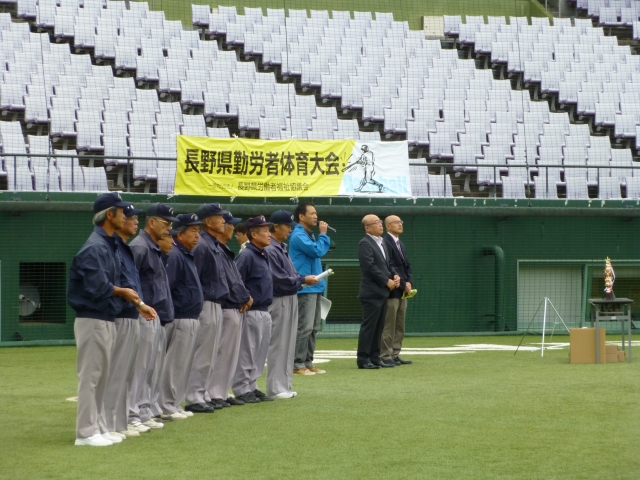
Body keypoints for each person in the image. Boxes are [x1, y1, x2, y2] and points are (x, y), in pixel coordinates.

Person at [68, 193, 156, 447]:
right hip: (92, 317)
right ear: (110, 214)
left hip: (105, 317)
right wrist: (124, 293)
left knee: (103, 376)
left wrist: (136, 302)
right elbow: (98, 288)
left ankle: (99, 427)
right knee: (92, 377)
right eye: (122, 211)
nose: (127, 216)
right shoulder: (95, 246)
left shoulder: (108, 244)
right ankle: (85, 432)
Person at [128, 203, 178, 432]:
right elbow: (130, 280)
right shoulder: (139, 247)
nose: (169, 228)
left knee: (151, 368)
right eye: (165, 223)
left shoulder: (153, 247)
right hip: (143, 315)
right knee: (140, 367)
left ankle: (144, 410)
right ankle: (131, 414)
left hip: (155, 315)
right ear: (152, 222)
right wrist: (139, 306)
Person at [264, 210, 319, 399]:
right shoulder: (271, 248)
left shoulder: (280, 246)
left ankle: (283, 386)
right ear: (276, 227)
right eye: (287, 226)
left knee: (287, 343)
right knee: (278, 344)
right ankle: (275, 388)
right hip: (278, 299)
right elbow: (279, 279)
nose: (289, 229)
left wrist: (300, 279)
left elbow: (291, 275)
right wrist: (303, 279)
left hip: (290, 296)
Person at [103, 204, 146, 441]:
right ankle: (107, 423)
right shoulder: (112, 247)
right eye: (130, 217)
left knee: (126, 372)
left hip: (131, 313)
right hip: (119, 315)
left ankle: (118, 422)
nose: (134, 221)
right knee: (116, 373)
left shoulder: (125, 247)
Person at [158, 214, 204, 419]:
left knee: (183, 364)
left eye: (198, 231)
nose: (197, 235)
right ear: (180, 233)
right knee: (174, 364)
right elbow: (167, 287)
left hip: (191, 316)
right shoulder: (176, 255)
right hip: (179, 317)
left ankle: (175, 404)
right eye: (193, 231)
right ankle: (166, 406)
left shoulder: (185, 253)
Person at [207, 210, 253, 407]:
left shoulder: (223, 249)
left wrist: (244, 296)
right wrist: (242, 296)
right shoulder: (211, 248)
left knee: (229, 354)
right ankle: (213, 393)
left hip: (233, 307)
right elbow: (223, 281)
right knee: (219, 353)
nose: (233, 228)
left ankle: (222, 392)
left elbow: (235, 280)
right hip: (223, 306)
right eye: (230, 224)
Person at [186, 203, 228, 413]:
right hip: (205, 303)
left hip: (216, 303)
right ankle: (193, 396)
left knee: (210, 354)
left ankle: (201, 393)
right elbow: (196, 279)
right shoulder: (201, 244)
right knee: (202, 353)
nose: (223, 221)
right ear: (208, 222)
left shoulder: (211, 243)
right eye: (219, 217)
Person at [232, 216, 275, 404]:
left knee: (259, 352)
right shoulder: (246, 255)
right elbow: (236, 280)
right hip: (251, 311)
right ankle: (242, 388)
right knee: (247, 351)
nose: (269, 234)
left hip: (264, 309)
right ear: (254, 234)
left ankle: (252, 385)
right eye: (265, 231)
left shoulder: (261, 254)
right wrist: (243, 299)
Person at [289, 203, 330, 376]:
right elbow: (316, 251)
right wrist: (323, 235)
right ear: (301, 216)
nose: (316, 216)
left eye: (316, 213)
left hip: (314, 287)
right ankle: (297, 364)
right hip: (305, 287)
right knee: (304, 327)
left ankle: (307, 361)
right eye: (312, 213)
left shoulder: (308, 234)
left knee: (313, 327)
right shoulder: (298, 234)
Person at [356, 214, 400, 370]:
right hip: (371, 292)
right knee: (369, 327)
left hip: (382, 293)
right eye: (376, 223)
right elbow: (370, 267)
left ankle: (375, 357)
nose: (380, 224)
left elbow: (388, 264)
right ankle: (363, 358)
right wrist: (386, 281)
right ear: (367, 228)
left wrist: (394, 275)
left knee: (379, 327)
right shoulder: (365, 243)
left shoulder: (382, 243)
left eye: (380, 222)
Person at [381, 215, 413, 366]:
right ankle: (385, 355)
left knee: (400, 324)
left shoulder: (401, 244)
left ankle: (395, 353)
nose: (400, 224)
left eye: (401, 221)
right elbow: (390, 265)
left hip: (403, 291)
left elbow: (407, 266)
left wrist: (409, 283)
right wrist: (402, 283)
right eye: (396, 222)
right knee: (389, 323)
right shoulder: (385, 242)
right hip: (393, 291)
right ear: (388, 226)